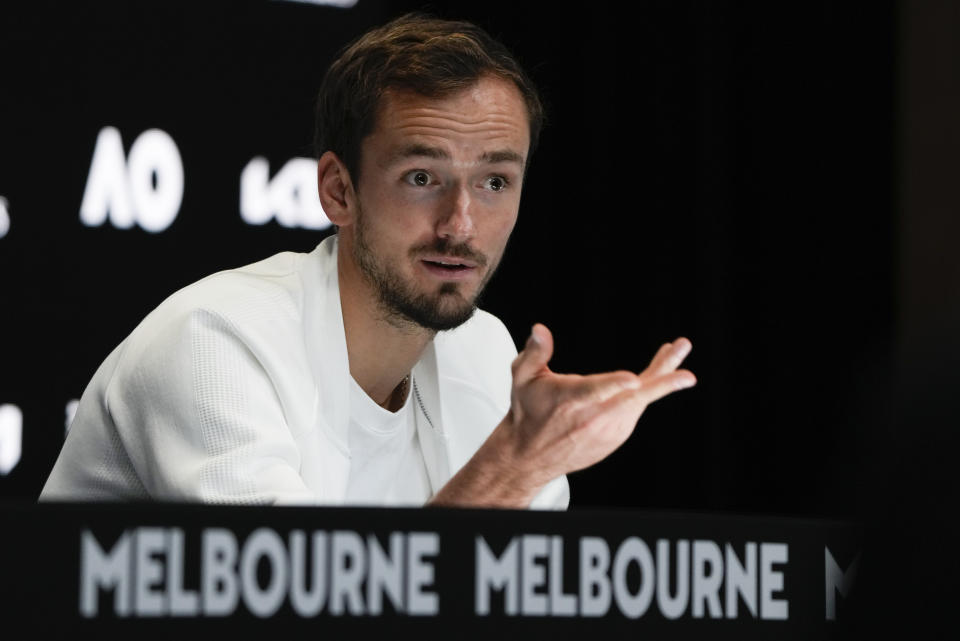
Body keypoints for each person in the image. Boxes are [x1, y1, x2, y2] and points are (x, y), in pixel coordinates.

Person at [40, 14, 695, 508]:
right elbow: (300, 615)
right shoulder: (215, 344)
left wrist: (522, 464)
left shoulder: (486, 357)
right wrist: (513, 468)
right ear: (338, 191)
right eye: (421, 177)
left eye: (495, 181)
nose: (461, 224)